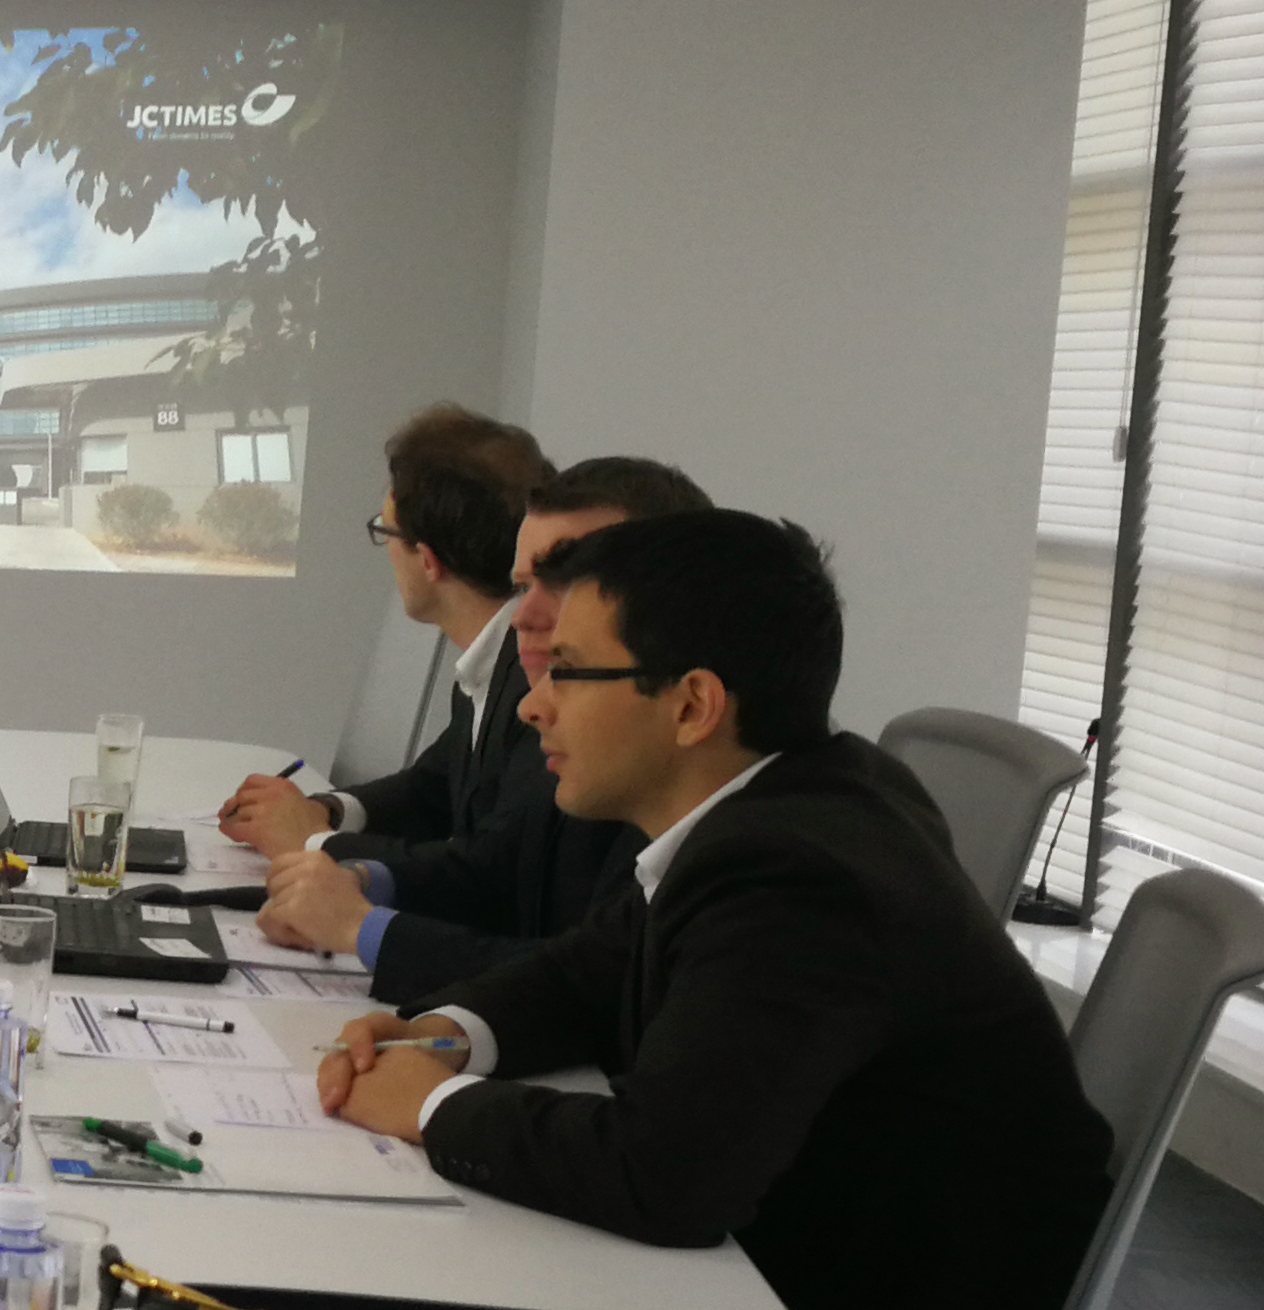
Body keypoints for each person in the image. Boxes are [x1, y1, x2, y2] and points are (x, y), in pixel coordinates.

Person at [315, 511, 1111, 1309]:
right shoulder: (788, 798)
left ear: (692, 705)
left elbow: (666, 1176)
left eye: (567, 670)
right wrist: (447, 1034)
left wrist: (430, 1104)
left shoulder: (796, 876)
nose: (532, 704)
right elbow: (593, 968)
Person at [254, 456, 702, 997]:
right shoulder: (548, 697)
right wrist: (364, 878)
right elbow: (507, 865)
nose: (522, 617)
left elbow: (602, 984)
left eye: (568, 585)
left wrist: (359, 920)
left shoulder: (745, 846)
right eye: (524, 586)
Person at [217, 403, 548, 857]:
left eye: (385, 531)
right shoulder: (493, 658)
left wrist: (316, 842)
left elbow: (489, 869)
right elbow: (431, 790)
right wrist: (325, 811)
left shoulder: (533, 681)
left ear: (427, 560)